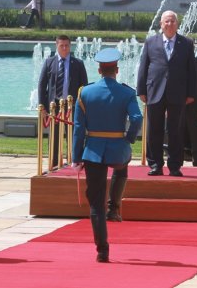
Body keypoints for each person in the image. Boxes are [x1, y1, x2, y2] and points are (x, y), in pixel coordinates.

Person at [72, 48, 142, 263]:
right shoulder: (127, 93)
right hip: (117, 150)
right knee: (123, 165)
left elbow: (78, 128)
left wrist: (76, 157)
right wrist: (129, 138)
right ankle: (115, 206)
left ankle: (102, 250)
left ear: (99, 70)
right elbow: (137, 118)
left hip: (92, 151)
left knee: (95, 204)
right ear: (117, 70)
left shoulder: (85, 93)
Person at [137, 11, 196, 177]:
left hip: (178, 93)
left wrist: (191, 92)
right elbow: (144, 66)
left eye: (172, 21)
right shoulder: (151, 42)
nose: (169, 24)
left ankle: (175, 166)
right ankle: (155, 164)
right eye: (166, 22)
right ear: (161, 24)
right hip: (154, 90)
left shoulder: (186, 43)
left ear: (177, 24)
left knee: (176, 131)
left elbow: (192, 70)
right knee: (154, 130)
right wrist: (141, 90)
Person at [38, 35, 88, 164]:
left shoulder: (78, 64)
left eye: (67, 45)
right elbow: (42, 85)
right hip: (54, 108)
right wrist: (42, 106)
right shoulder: (49, 62)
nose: (65, 48)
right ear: (57, 46)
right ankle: (54, 164)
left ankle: (74, 162)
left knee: (73, 136)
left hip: (72, 107)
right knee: (54, 137)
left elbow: (84, 87)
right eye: (62, 46)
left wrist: (84, 107)